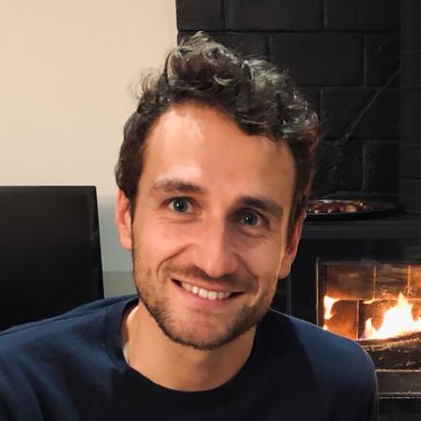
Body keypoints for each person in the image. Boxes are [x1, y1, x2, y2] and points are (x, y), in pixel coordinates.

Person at [0, 32, 378, 420]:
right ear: (127, 217)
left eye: (250, 218)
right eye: (180, 205)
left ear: (290, 244)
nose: (214, 262)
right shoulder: (18, 389)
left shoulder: (339, 386)